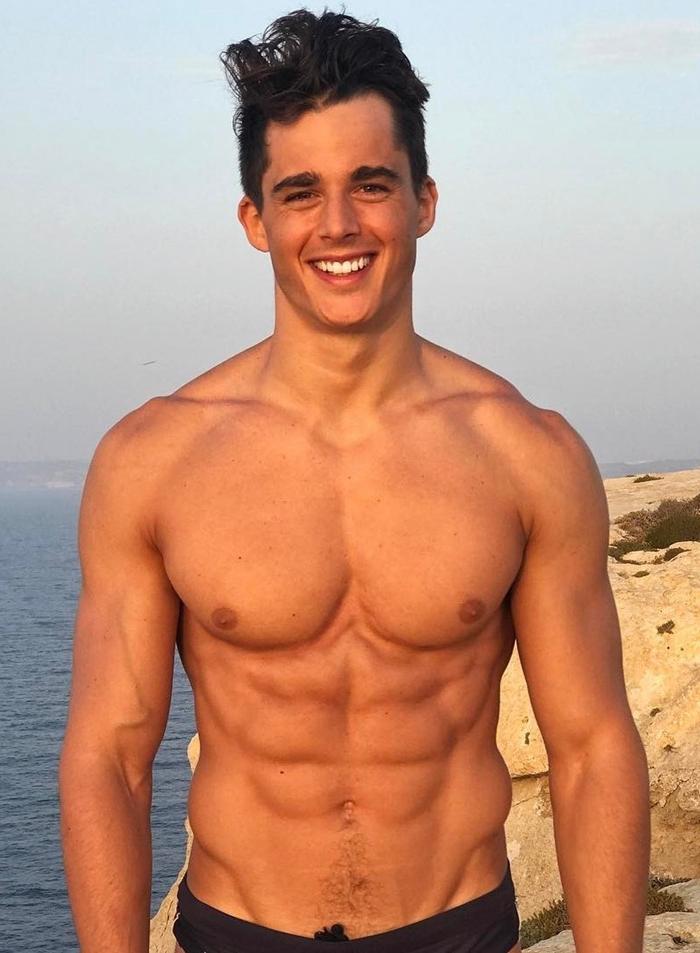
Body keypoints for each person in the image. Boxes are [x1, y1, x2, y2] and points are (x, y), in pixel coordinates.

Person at [58, 8, 651, 953]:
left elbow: (592, 749)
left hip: (459, 929)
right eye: (300, 193)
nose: (338, 225)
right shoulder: (153, 460)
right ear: (255, 221)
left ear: (423, 200)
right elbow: (110, 757)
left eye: (371, 185)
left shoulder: (527, 455)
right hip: (238, 931)